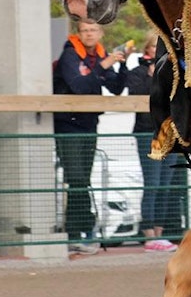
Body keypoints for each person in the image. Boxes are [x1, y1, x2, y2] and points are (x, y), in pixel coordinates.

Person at [53, 19, 128, 254]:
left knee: (83, 177)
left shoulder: (100, 55)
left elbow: (115, 88)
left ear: (100, 33)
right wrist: (105, 65)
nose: (89, 34)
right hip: (68, 124)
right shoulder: (70, 55)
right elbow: (80, 86)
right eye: (84, 30)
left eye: (93, 30)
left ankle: (83, 230)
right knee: (75, 177)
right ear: (78, 33)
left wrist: (121, 65)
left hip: (89, 123)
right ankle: (75, 233)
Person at [124, 33, 179, 252]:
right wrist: (151, 76)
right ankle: (147, 233)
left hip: (169, 131)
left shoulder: (173, 69)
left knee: (166, 185)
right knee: (152, 183)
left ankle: (159, 232)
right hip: (147, 131)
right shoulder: (138, 71)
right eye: (155, 47)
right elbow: (137, 94)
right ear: (147, 50)